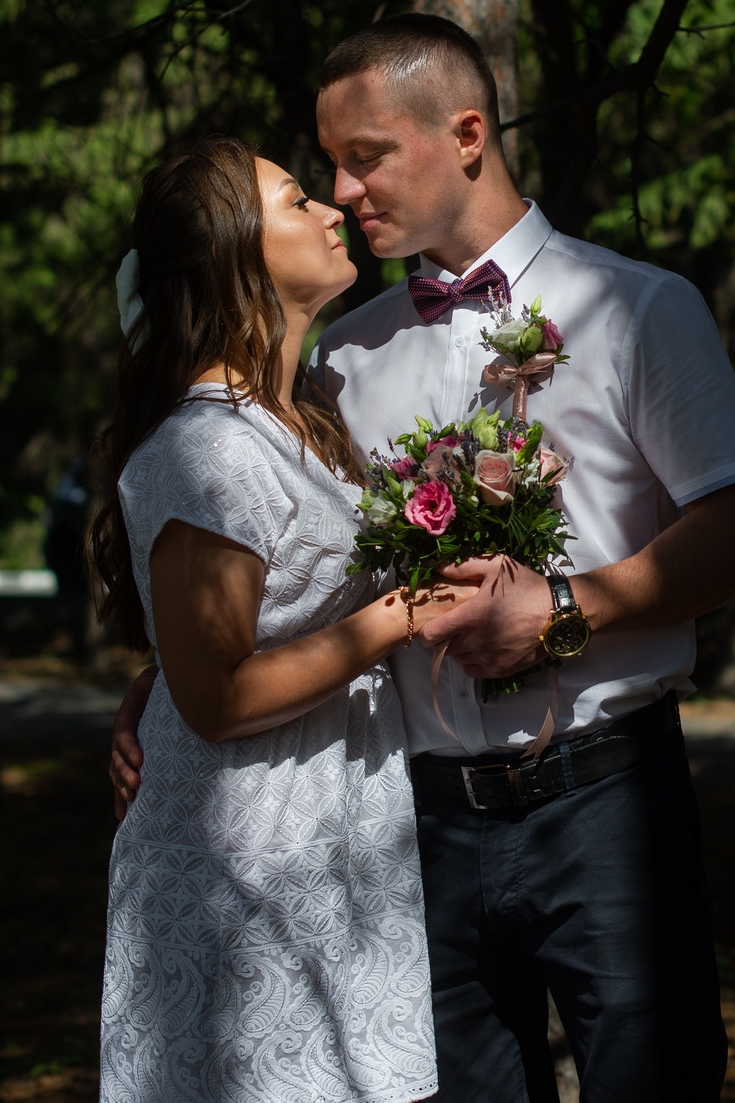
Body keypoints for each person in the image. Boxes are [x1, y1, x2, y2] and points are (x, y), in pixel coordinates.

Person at [113, 16, 735, 1101]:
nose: (343, 186)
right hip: (414, 822)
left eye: (363, 155)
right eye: (326, 163)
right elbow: (280, 554)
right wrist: (168, 674)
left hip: (602, 797)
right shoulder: (340, 352)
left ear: (466, 132)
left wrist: (561, 609)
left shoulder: (638, 308)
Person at [90, 136, 475, 1103]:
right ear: (236, 257)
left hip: (326, 845)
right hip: (245, 866)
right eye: (299, 201)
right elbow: (217, 696)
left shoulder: (294, 419)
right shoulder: (206, 447)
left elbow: (235, 635)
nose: (334, 210)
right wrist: (394, 618)